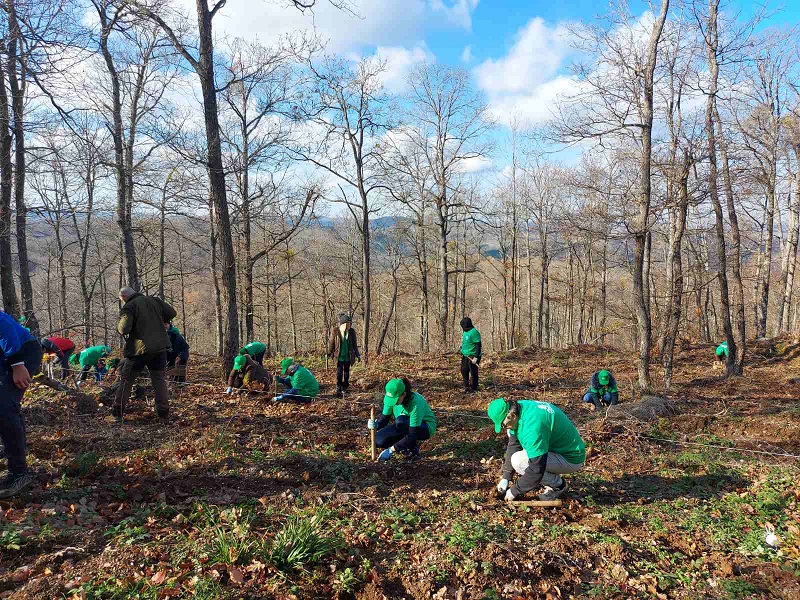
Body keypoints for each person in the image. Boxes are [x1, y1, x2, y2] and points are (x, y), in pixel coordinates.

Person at [488, 398, 585, 502]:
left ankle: (558, 486)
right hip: (555, 447)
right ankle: (552, 479)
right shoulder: (519, 408)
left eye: (503, 425)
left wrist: (515, 490)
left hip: (571, 457)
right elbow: (514, 444)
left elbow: (536, 469)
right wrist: (506, 477)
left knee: (519, 462)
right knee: (511, 434)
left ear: (511, 416)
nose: (504, 428)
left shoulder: (532, 428)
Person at [113, 287, 177, 420]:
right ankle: (163, 413)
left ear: (124, 297)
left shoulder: (130, 306)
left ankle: (117, 413)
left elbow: (124, 329)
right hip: (160, 348)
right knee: (159, 381)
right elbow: (171, 312)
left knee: (126, 381)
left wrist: (119, 326)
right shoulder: (155, 301)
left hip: (139, 350)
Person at [0, 311, 42, 498]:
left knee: (4, 407)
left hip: (22, 351)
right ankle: (15, 447)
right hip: (4, 356)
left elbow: (4, 327)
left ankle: (19, 472)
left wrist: (17, 364)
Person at [369, 378, 437, 461]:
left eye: (395, 400)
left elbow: (412, 434)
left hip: (425, 427)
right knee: (378, 440)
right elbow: (384, 418)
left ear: (403, 394)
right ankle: (404, 444)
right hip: (402, 425)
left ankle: (412, 447)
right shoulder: (390, 398)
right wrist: (376, 425)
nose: (393, 403)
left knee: (401, 421)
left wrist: (391, 450)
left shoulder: (416, 403)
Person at [327, 313, 360, 398]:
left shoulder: (351, 332)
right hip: (339, 356)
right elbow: (331, 343)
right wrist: (329, 353)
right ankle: (338, 386)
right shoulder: (335, 331)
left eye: (350, 323)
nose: (350, 325)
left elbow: (354, 344)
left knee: (346, 373)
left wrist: (357, 354)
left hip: (348, 356)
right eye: (348, 323)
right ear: (343, 324)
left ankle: (345, 386)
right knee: (339, 373)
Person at [460, 317, 481, 393]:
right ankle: (467, 387)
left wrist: (476, 357)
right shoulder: (465, 332)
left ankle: (474, 388)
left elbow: (478, 345)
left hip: (473, 355)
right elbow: (465, 341)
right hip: (465, 355)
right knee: (464, 370)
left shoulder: (474, 332)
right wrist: (462, 347)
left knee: (473, 372)